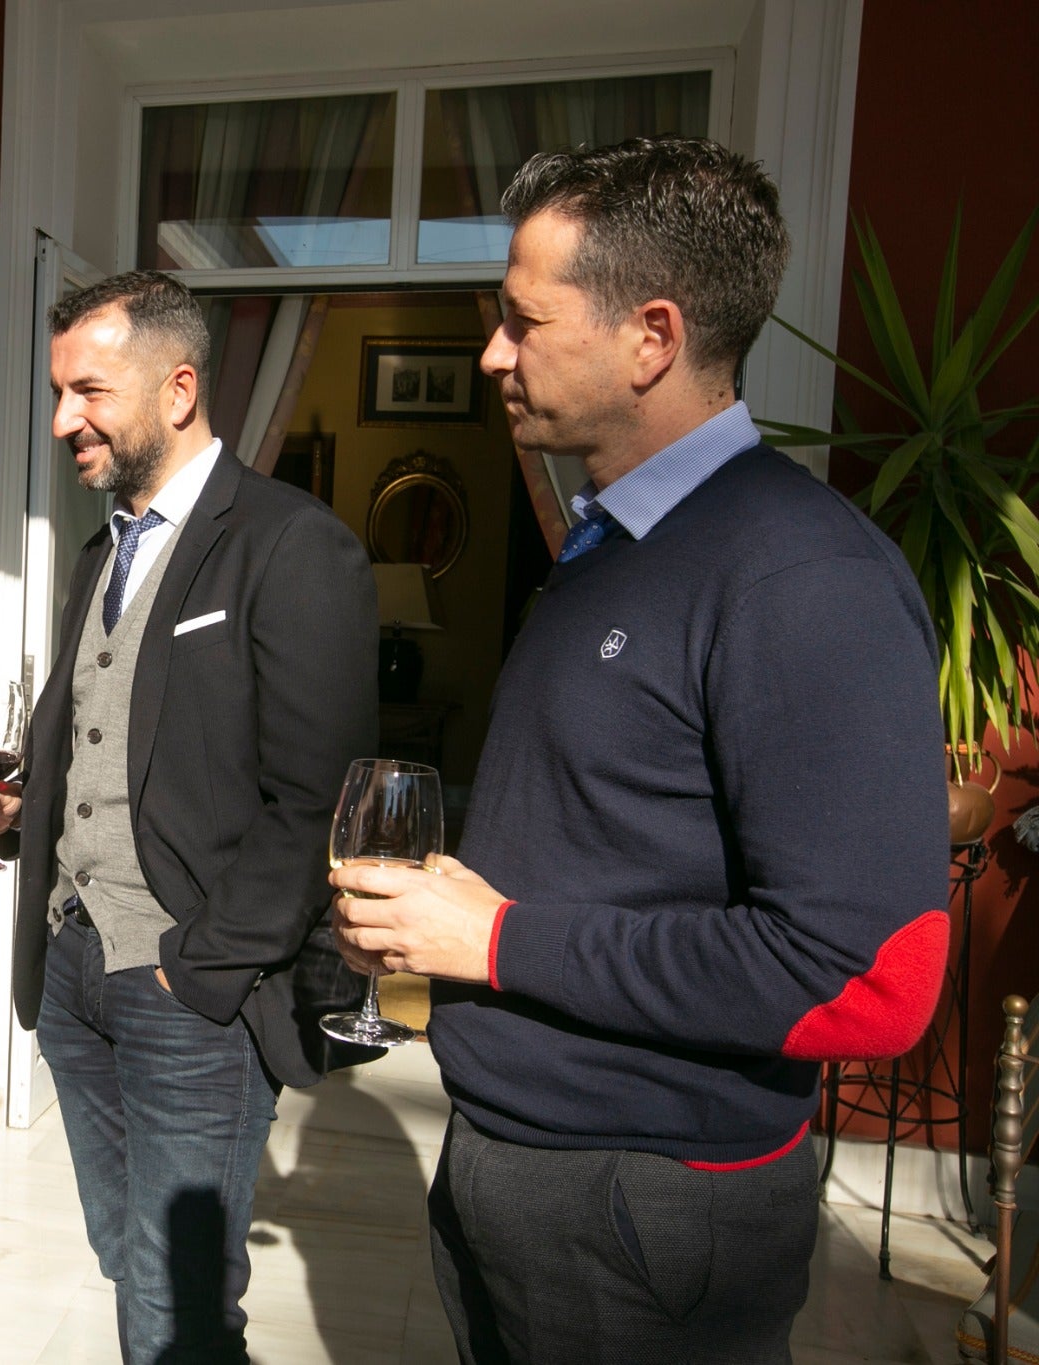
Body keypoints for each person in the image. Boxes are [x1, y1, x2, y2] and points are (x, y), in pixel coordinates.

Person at [330, 137, 948, 1362]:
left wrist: (496, 939)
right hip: (525, 1167)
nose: (492, 353)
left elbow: (867, 978)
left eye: (522, 320)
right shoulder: (612, 545)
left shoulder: (799, 576)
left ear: (649, 337)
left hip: (637, 1207)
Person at [0, 270, 375, 1362]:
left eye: (86, 391)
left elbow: (311, 798)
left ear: (177, 389)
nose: (59, 421)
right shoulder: (102, 550)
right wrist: (14, 815)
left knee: (173, 1302)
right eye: (56, 392)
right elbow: (116, 741)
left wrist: (208, 968)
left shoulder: (291, 544)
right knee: (128, 1259)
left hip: (187, 986)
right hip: (71, 972)